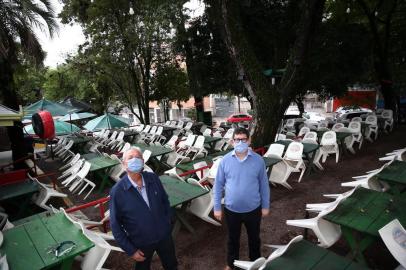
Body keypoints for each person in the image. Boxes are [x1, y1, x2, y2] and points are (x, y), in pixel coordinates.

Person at [109, 147, 178, 270]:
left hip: (164, 236)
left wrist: (167, 222)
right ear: (124, 164)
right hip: (141, 242)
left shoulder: (153, 178)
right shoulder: (118, 191)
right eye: (130, 158)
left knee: (171, 265)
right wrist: (131, 250)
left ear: (143, 162)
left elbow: (165, 201)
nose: (135, 160)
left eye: (138, 157)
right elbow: (115, 225)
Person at [213, 127, 270, 270]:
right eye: (237, 139)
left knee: (254, 239)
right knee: (233, 240)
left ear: (249, 140)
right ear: (232, 142)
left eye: (243, 139)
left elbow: (264, 185)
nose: (240, 142)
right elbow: (218, 186)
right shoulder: (225, 161)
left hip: (253, 209)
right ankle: (231, 264)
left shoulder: (258, 161)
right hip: (232, 210)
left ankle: (255, 263)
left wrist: (265, 206)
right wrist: (217, 208)